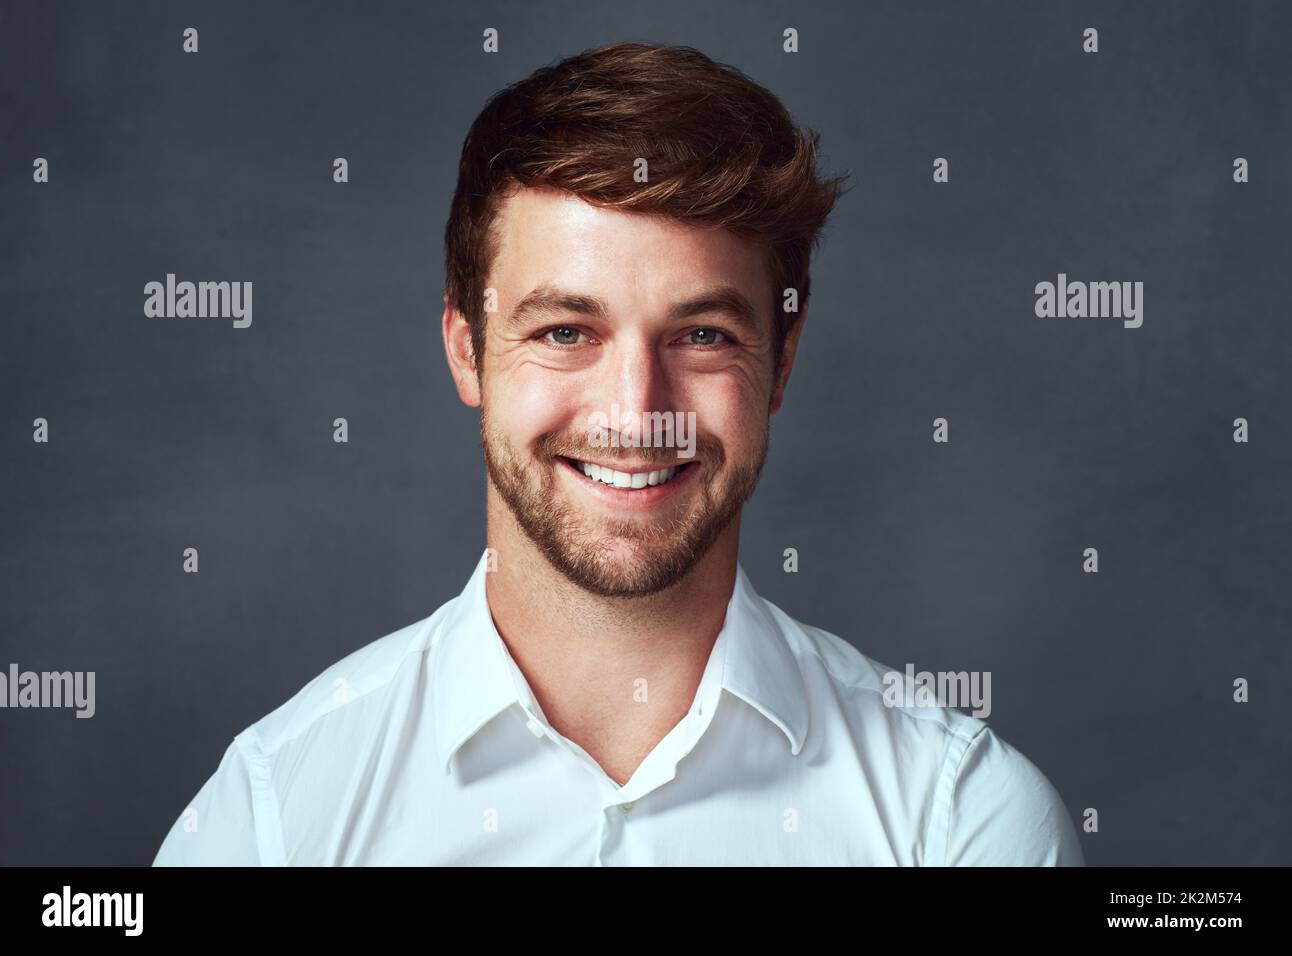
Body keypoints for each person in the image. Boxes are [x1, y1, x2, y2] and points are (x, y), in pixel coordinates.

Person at [153, 41, 1083, 866]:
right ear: (466, 350)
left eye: (704, 335)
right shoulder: (276, 813)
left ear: (782, 364)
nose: (638, 414)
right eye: (565, 331)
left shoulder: (956, 822)